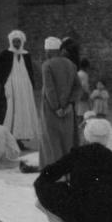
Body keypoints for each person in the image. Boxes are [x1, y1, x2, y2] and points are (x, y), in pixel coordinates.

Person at [38, 37, 83, 169]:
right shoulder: (71, 65)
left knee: (52, 140)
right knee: (67, 139)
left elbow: (49, 89)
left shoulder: (47, 65)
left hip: (51, 109)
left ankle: (54, 170)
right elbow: (78, 88)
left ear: (49, 51)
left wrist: (56, 107)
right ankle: (68, 169)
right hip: (68, 109)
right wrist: (69, 104)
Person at [0, 29, 40, 151]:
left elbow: (30, 72)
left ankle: (18, 139)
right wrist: (5, 84)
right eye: (14, 41)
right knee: (9, 111)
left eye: (18, 41)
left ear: (22, 42)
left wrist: (30, 86)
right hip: (10, 88)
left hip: (24, 90)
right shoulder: (5, 54)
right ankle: (7, 140)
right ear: (10, 41)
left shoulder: (26, 55)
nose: (16, 44)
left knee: (21, 111)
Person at [75, 58, 91, 124]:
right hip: (83, 95)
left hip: (77, 95)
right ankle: (82, 125)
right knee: (83, 112)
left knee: (79, 111)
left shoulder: (77, 73)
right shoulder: (84, 75)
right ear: (87, 67)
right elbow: (84, 85)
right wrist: (87, 93)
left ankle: (79, 125)